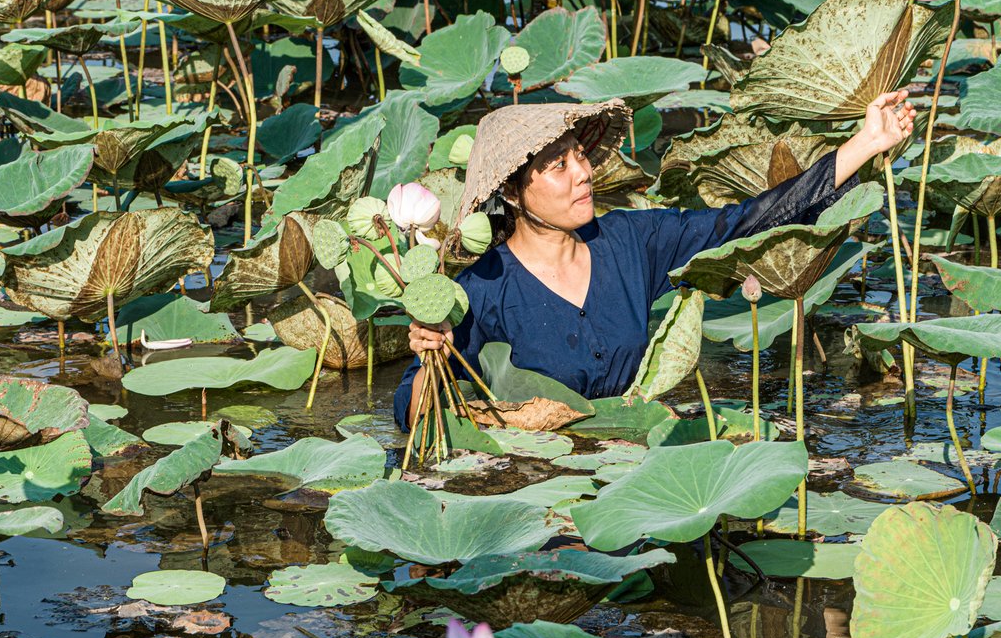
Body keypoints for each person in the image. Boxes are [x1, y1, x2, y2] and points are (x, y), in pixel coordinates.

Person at [392, 90, 917, 426]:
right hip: (540, 486)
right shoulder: (482, 289)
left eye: (581, 156)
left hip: (635, 466)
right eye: (558, 165)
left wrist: (867, 141)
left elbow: (748, 222)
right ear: (511, 192)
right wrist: (430, 346)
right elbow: (415, 414)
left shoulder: (628, 241)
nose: (583, 174)